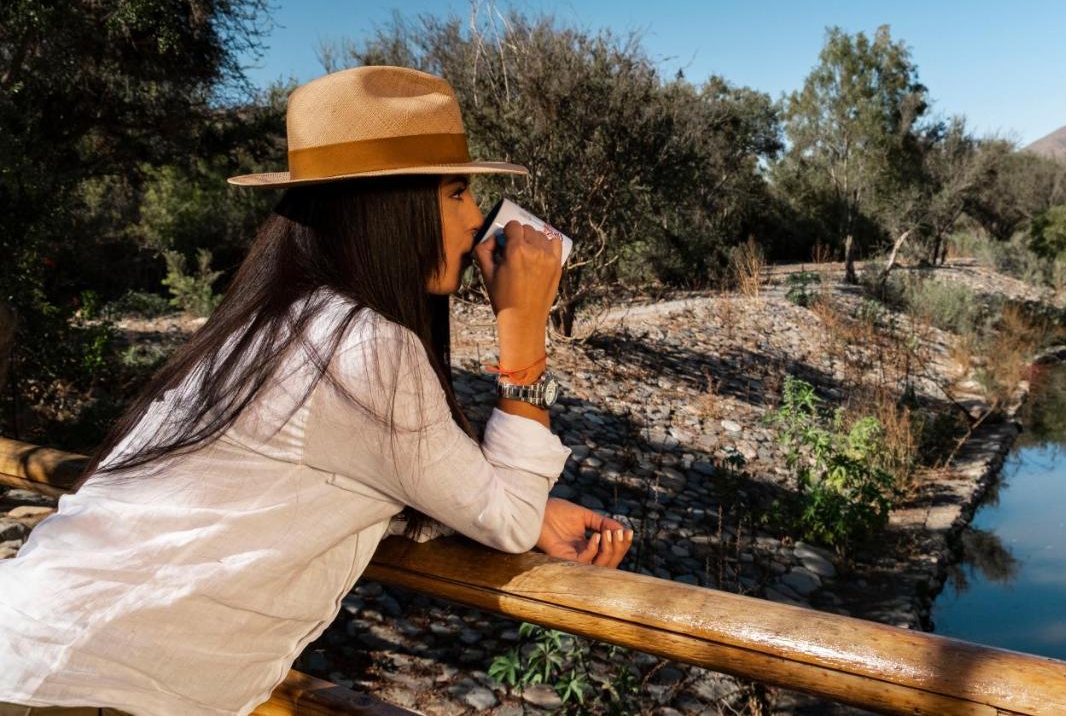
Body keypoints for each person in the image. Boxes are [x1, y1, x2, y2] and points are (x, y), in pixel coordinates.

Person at [0, 66, 633, 715]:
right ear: (384, 214)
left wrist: (511, 507)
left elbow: (336, 479)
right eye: (454, 193)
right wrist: (524, 331)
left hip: (37, 654)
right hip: (81, 691)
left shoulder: (272, 324)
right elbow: (505, 519)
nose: (475, 220)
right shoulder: (363, 346)